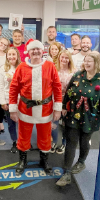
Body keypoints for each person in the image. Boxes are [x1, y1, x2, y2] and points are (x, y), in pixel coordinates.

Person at [9, 39, 62, 175]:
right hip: (25, 109)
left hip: (46, 109)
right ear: (28, 51)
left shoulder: (50, 66)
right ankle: (23, 160)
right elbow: (14, 88)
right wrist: (13, 109)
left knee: (45, 137)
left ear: (42, 51)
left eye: (38, 49)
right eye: (33, 49)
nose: (36, 52)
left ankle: (44, 161)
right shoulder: (21, 67)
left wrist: (57, 108)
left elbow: (57, 87)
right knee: (23, 137)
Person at [56, 52, 100, 186]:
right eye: (85, 61)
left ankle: (81, 161)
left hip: (91, 116)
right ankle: (66, 172)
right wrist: (64, 106)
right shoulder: (77, 75)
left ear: (96, 63)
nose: (86, 63)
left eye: (90, 61)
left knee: (85, 140)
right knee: (71, 142)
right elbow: (69, 91)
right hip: (74, 114)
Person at [51, 50, 77, 154]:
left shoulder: (74, 71)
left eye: (66, 58)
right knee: (54, 123)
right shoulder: (54, 69)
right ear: (59, 58)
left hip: (68, 102)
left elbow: (74, 90)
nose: (64, 59)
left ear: (69, 59)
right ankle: (53, 142)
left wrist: (65, 106)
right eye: (62, 57)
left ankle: (63, 144)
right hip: (54, 100)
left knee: (66, 125)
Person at [0, 47, 21, 153]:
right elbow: (1, 86)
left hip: (21, 100)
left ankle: (23, 141)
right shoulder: (3, 69)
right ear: (7, 56)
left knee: (23, 123)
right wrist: (2, 102)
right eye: (9, 55)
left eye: (14, 54)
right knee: (11, 123)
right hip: (8, 100)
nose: (11, 57)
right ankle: (14, 142)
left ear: (17, 56)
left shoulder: (22, 67)